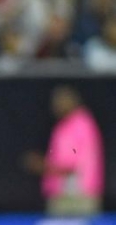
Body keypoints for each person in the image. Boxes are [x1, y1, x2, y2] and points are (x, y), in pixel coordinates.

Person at [22, 86, 104, 216]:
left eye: (59, 102)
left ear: (71, 102)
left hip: (79, 197)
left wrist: (41, 166)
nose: (55, 106)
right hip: (62, 194)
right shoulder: (62, 126)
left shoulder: (82, 125)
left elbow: (72, 165)